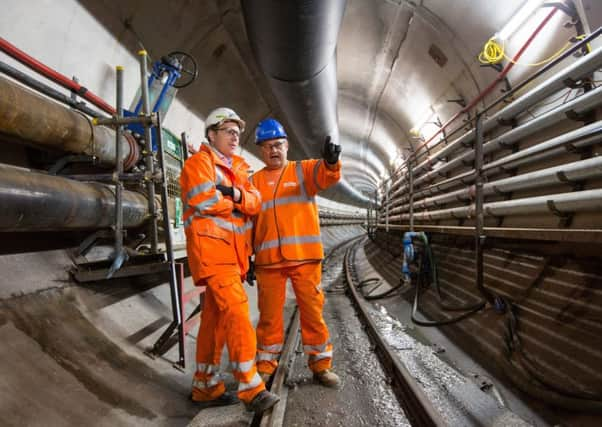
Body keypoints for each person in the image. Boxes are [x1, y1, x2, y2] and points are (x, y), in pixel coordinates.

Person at [180, 107, 279, 413]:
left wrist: (234, 195)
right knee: (237, 311)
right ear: (211, 134)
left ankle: (205, 386)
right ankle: (251, 387)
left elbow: (254, 203)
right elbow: (204, 199)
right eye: (228, 132)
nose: (235, 137)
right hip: (212, 252)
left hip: (234, 257)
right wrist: (237, 202)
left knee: (215, 321)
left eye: (238, 133)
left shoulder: (239, 168)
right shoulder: (199, 163)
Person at [250, 118, 342, 388]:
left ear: (287, 146)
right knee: (268, 318)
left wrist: (331, 161)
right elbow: (248, 225)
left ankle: (321, 366)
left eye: (278, 145)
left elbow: (327, 176)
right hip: (268, 263)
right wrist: (246, 259)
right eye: (267, 147)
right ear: (260, 151)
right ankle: (265, 366)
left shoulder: (303, 170)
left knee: (312, 313)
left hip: (304, 257)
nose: (273, 151)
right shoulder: (252, 182)